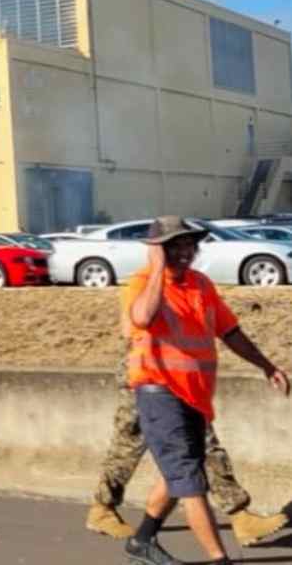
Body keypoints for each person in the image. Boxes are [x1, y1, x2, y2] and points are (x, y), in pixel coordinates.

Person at [120, 216, 289, 565]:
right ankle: (218, 559)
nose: (185, 252)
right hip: (159, 392)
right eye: (174, 246)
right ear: (157, 251)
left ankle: (142, 540)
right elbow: (142, 318)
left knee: (181, 471)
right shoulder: (141, 284)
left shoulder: (201, 285)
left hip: (194, 396)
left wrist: (267, 365)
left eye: (188, 245)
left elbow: (230, 332)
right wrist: (155, 270)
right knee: (190, 480)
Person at [85, 347, 289, 546]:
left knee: (198, 442)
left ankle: (239, 516)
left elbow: (226, 330)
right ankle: (104, 508)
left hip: (179, 372)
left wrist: (266, 366)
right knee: (132, 443)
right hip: (148, 371)